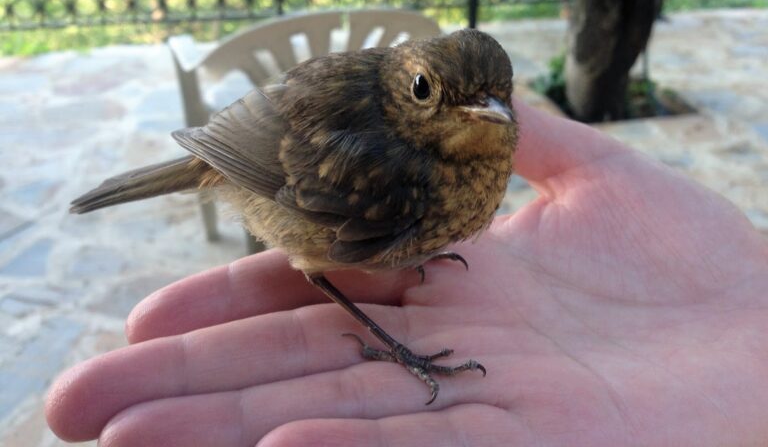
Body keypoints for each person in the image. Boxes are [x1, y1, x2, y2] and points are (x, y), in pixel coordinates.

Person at [46, 99, 768, 446]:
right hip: (266, 170)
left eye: (495, 101)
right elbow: (301, 216)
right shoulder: (389, 172)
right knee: (328, 267)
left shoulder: (477, 145)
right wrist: (396, 344)